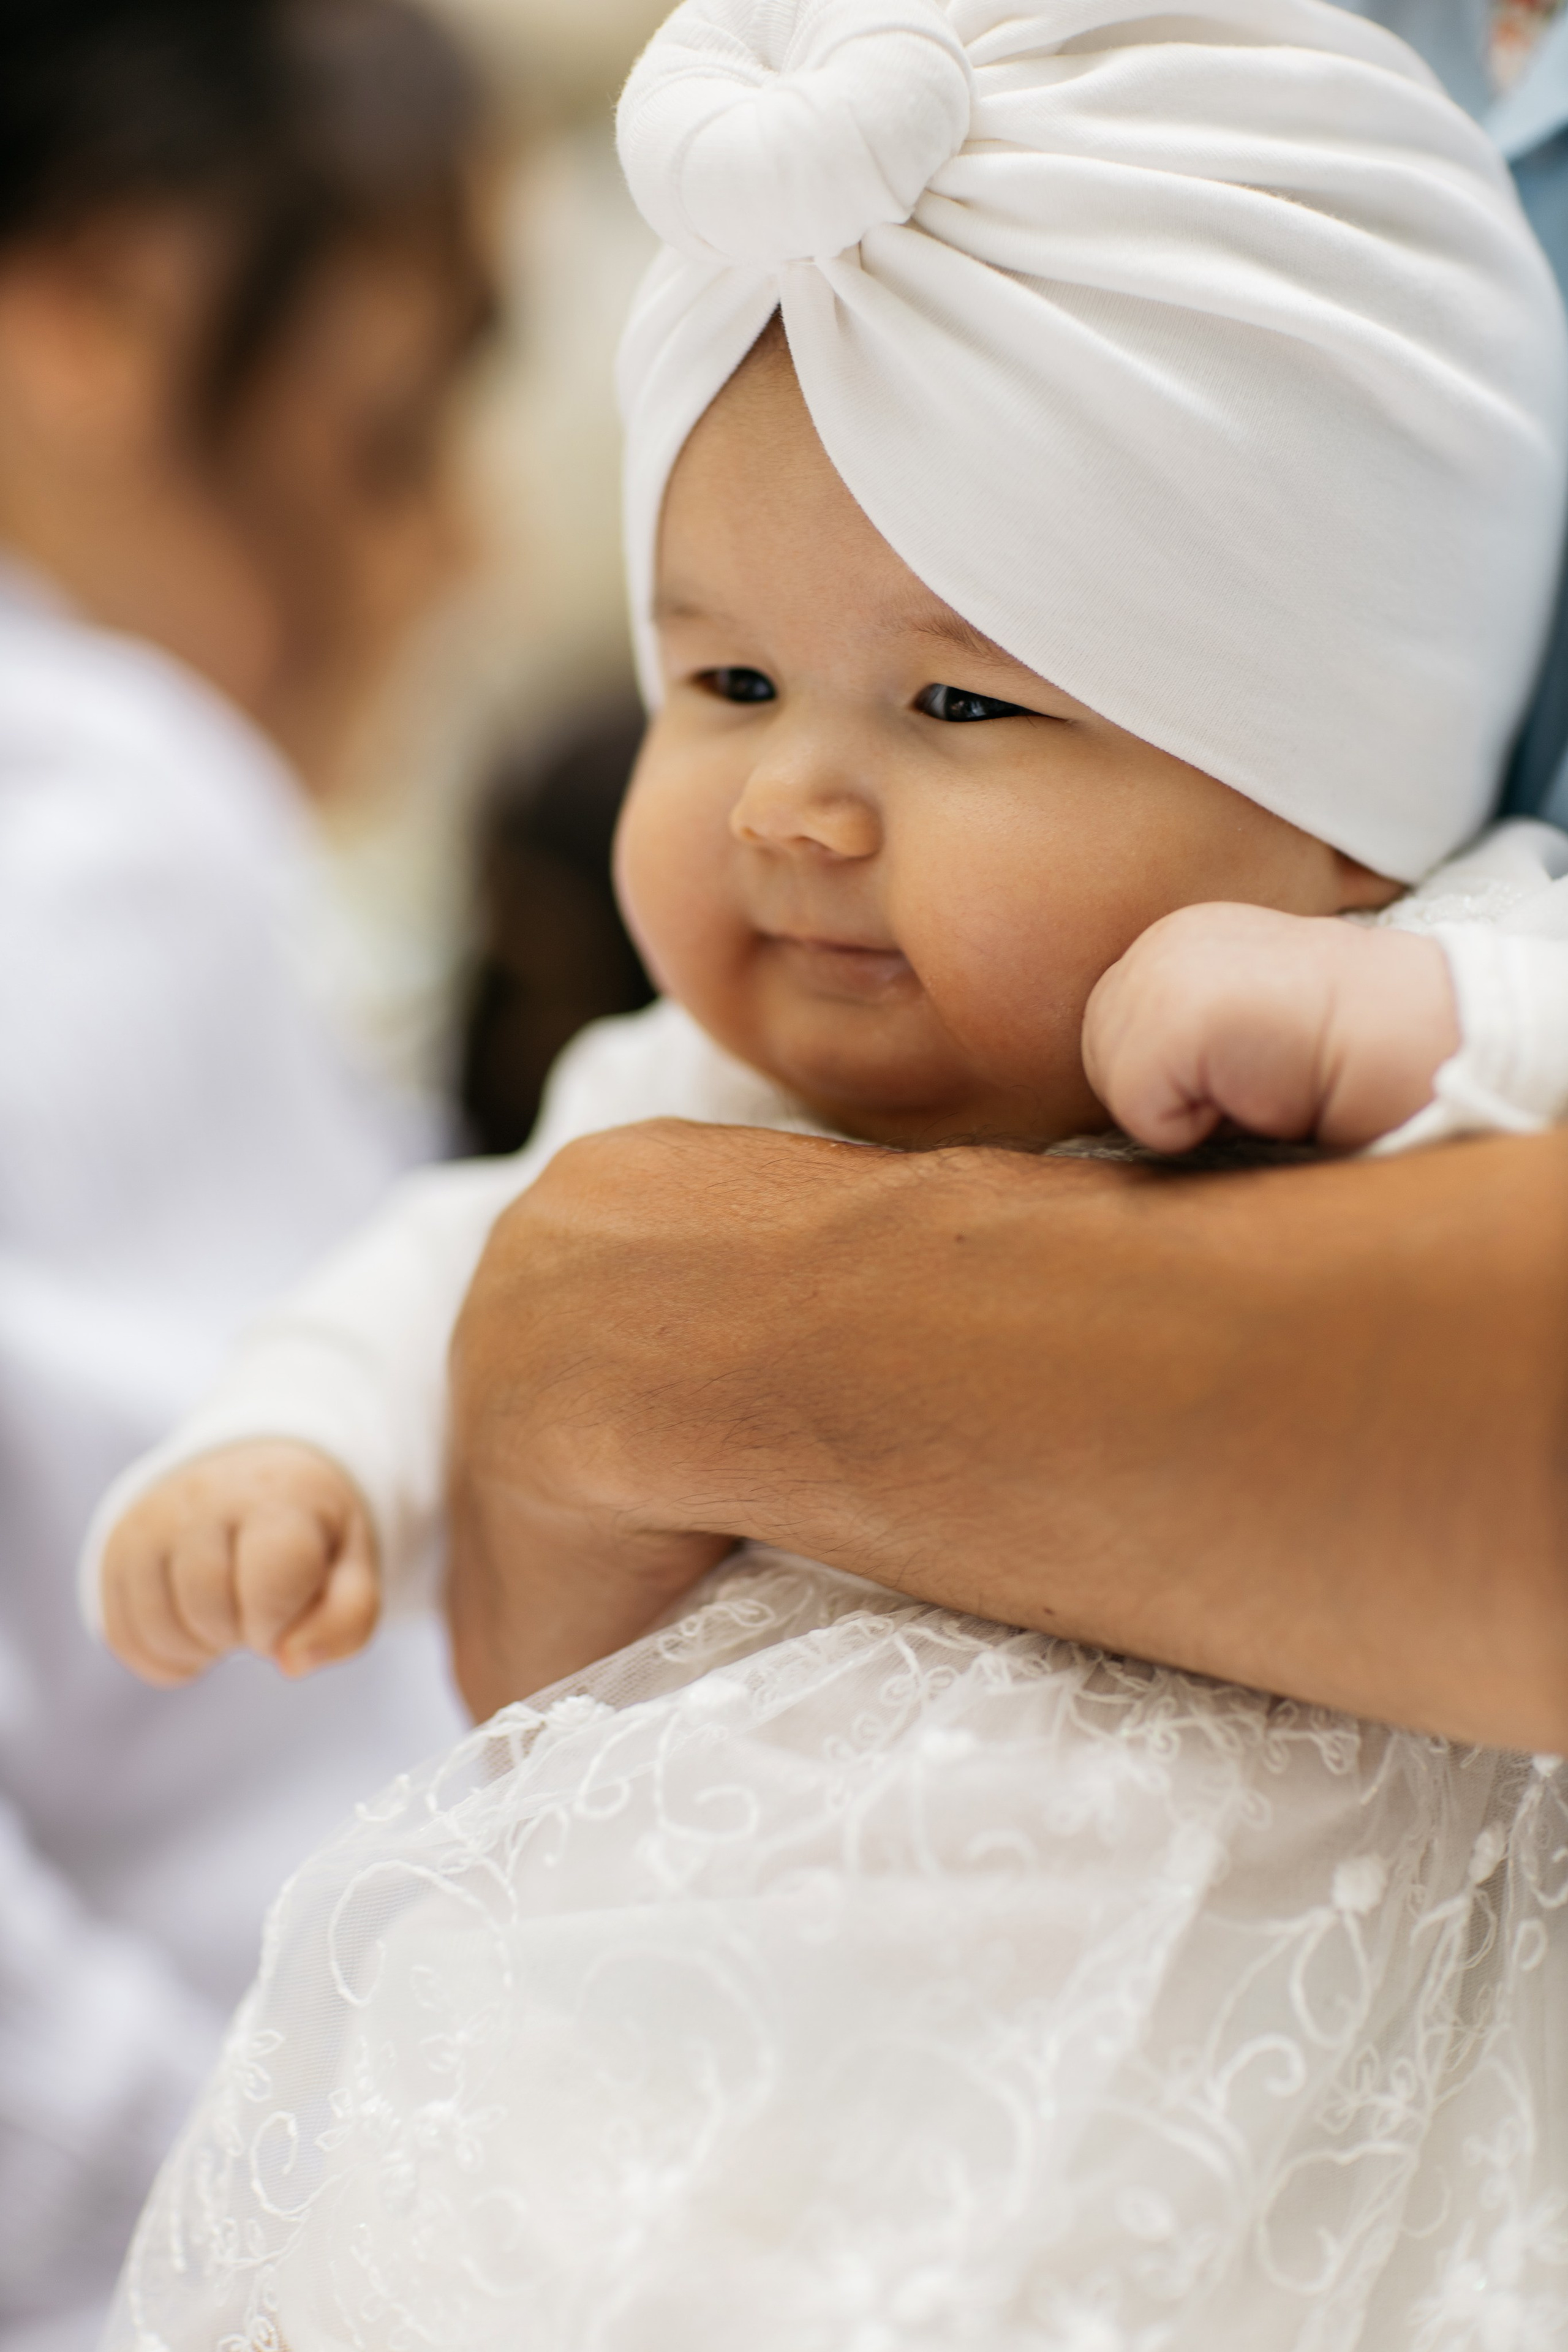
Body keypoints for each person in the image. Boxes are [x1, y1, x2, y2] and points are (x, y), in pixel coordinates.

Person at [89, 1, 1568, 2338]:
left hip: (1285, 2089)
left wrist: (1392, 1020)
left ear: (1338, 793)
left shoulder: (1436, 944)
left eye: (960, 704)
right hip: (696, 2044)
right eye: (728, 688)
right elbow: (464, 1257)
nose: (794, 803)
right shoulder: (681, 1084)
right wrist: (301, 1440)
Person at [0, 1, 488, 2339]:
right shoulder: (98, 821)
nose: (449, 551)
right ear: (90, 316)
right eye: (386, 438)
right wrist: (263, 2241)